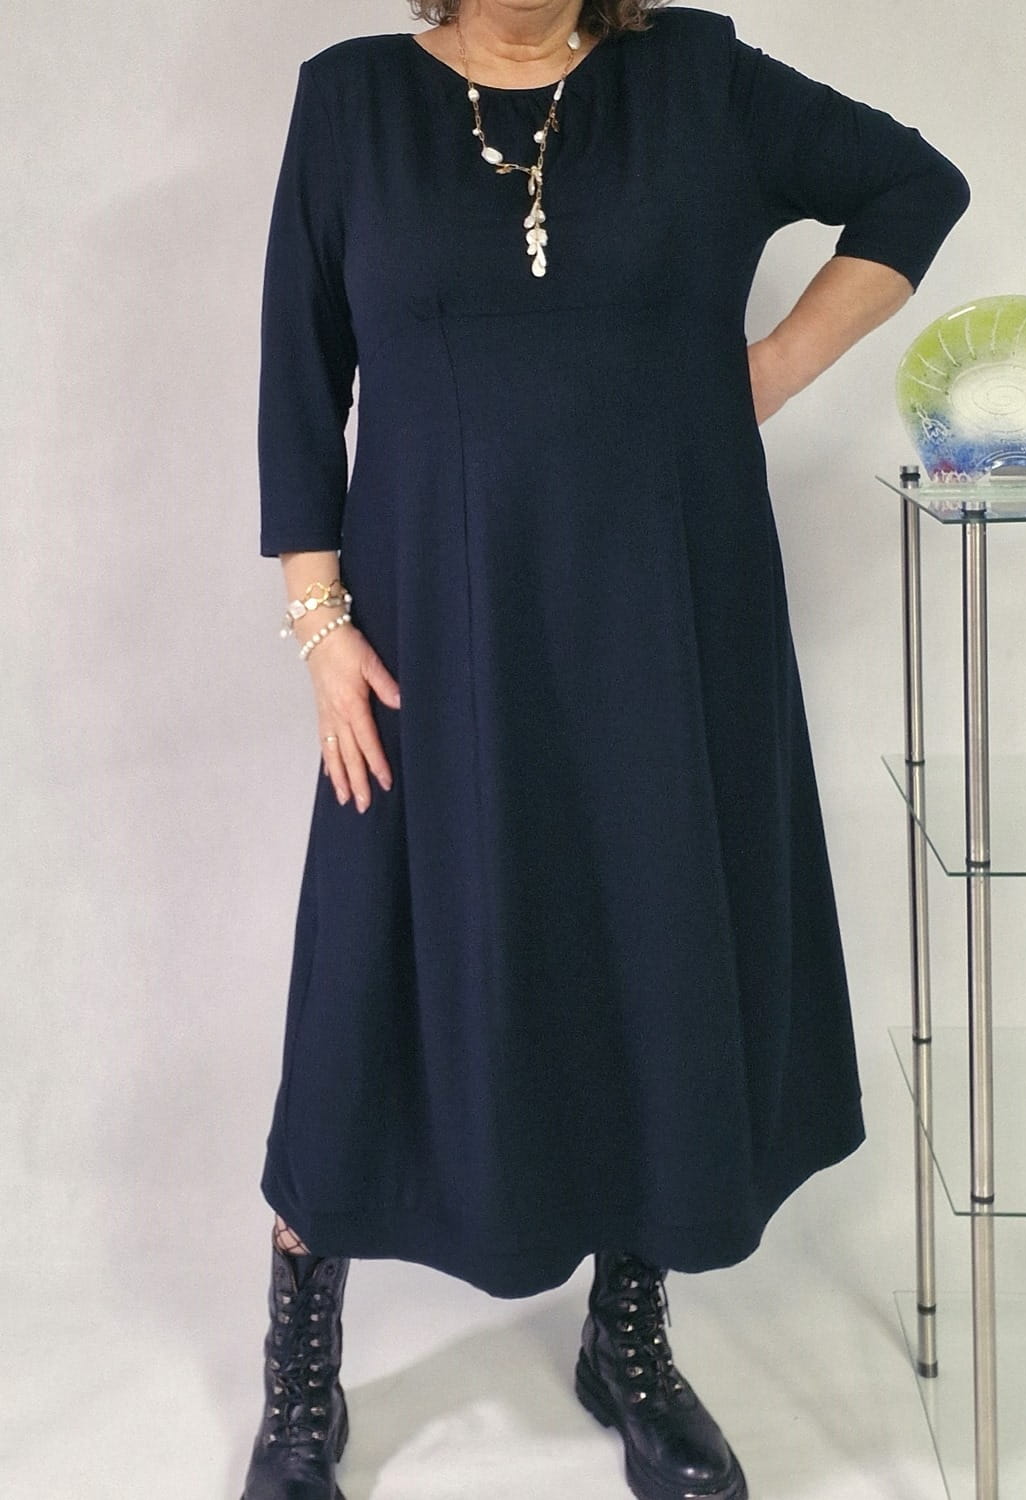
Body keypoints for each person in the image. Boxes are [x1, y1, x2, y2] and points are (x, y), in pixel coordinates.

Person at [241, 2, 971, 1497]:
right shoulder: (352, 104)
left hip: (666, 614)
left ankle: (626, 1335)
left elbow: (916, 184)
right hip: (434, 627)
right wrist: (318, 624)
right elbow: (301, 369)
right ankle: (301, 1369)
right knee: (373, 969)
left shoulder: (694, 78)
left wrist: (766, 369)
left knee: (652, 944)